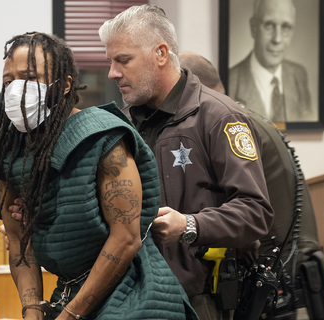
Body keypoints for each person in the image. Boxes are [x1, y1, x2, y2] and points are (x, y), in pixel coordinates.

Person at [0, 32, 195, 320]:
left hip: (135, 298)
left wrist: (70, 315)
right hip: (69, 292)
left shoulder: (103, 138)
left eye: (30, 77)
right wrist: (32, 311)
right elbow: (19, 242)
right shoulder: (6, 149)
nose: (16, 88)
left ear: (65, 84)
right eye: (9, 81)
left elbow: (126, 239)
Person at [99, 5, 273, 320]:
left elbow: (255, 212)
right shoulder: (123, 123)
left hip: (199, 300)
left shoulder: (220, 117)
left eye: (123, 60)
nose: (112, 72)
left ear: (161, 53)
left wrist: (191, 225)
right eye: (110, 61)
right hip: (133, 295)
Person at [180, 51, 324, 320]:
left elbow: (247, 215)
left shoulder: (229, 122)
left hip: (279, 283)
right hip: (298, 274)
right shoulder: (246, 116)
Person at [228, 0, 312, 123]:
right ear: (253, 28)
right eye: (269, 25)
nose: (277, 39)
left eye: (286, 27)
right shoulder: (229, 83)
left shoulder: (299, 75)